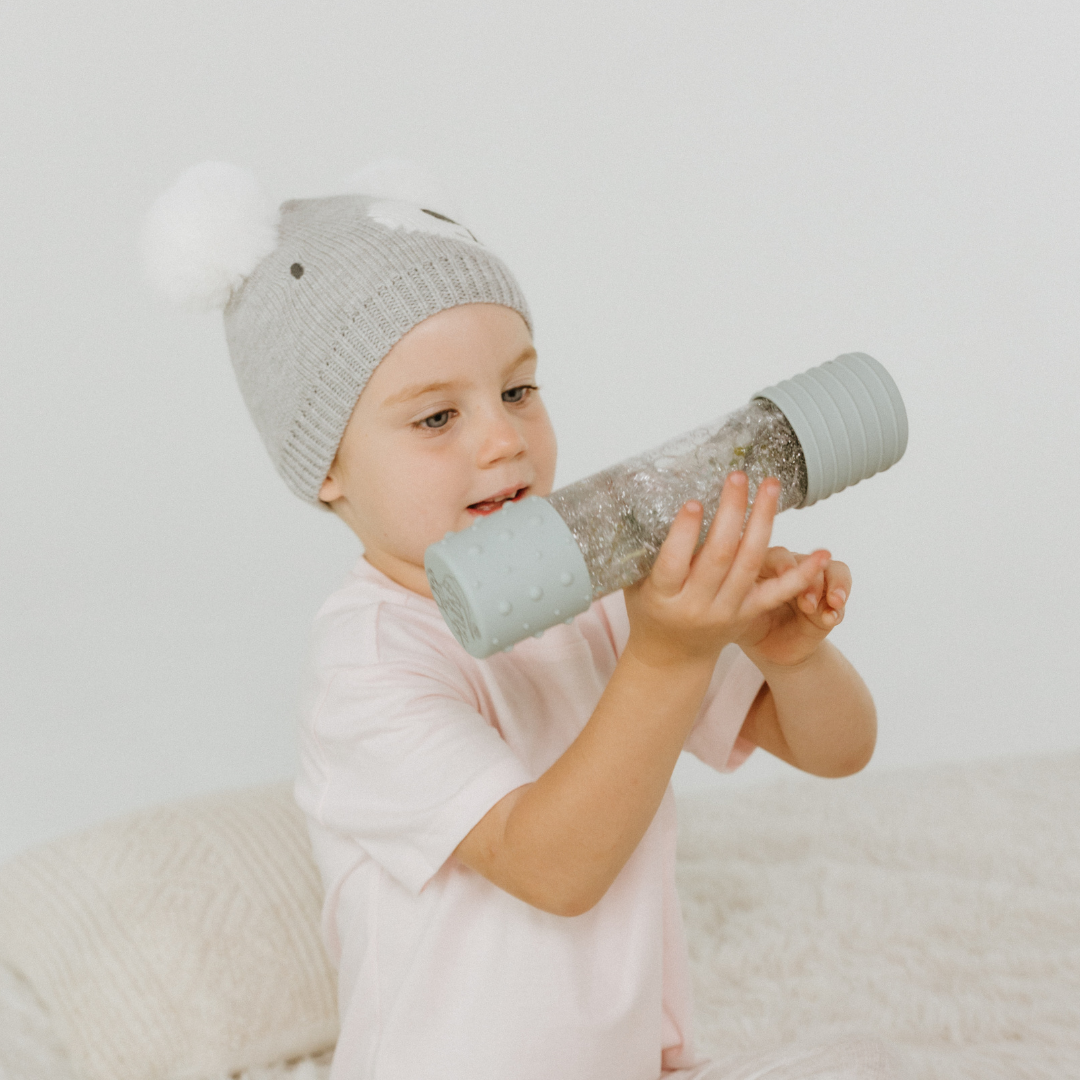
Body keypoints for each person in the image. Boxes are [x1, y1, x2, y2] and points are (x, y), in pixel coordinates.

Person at [146, 162, 904, 1080]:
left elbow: (837, 749)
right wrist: (667, 657)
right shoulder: (368, 662)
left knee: (868, 1062)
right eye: (436, 418)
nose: (501, 439)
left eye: (517, 392)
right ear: (327, 471)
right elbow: (551, 867)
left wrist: (792, 660)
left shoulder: (596, 591)